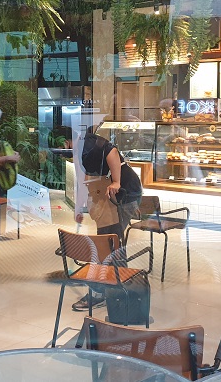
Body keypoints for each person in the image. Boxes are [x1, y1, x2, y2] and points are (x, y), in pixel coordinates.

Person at [72, 127, 143, 311]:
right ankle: (116, 287)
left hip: (124, 192)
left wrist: (117, 181)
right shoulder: (80, 150)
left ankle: (106, 291)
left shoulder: (89, 144)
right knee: (110, 242)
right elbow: (84, 181)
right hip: (106, 196)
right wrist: (79, 207)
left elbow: (111, 150)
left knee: (109, 242)